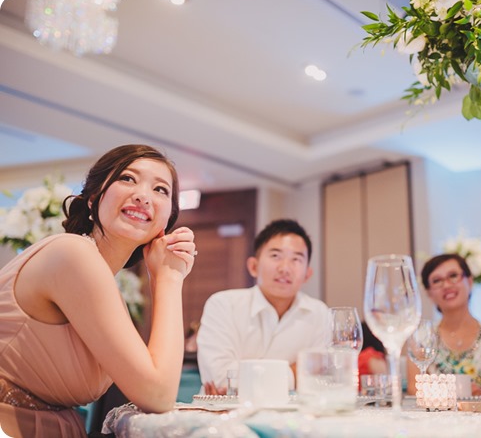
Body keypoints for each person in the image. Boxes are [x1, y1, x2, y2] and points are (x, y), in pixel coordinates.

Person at [0, 144, 196, 437]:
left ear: (167, 220)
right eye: (128, 178)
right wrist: (168, 279)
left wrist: (161, 275)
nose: (143, 195)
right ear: (93, 198)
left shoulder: (102, 279)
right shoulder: (72, 253)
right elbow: (158, 395)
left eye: (161, 190)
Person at [197, 219, 330, 395]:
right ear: (253, 266)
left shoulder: (319, 313)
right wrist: (295, 373)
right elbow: (222, 379)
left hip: (294, 419)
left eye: (296, 259)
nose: (285, 268)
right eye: (275, 256)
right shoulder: (223, 305)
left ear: (307, 274)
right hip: (222, 415)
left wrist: (247, 378)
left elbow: (323, 380)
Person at [406, 253, 481, 396]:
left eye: (453, 276)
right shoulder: (422, 341)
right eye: (437, 281)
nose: (447, 285)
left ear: (470, 281)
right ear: (429, 293)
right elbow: (413, 389)